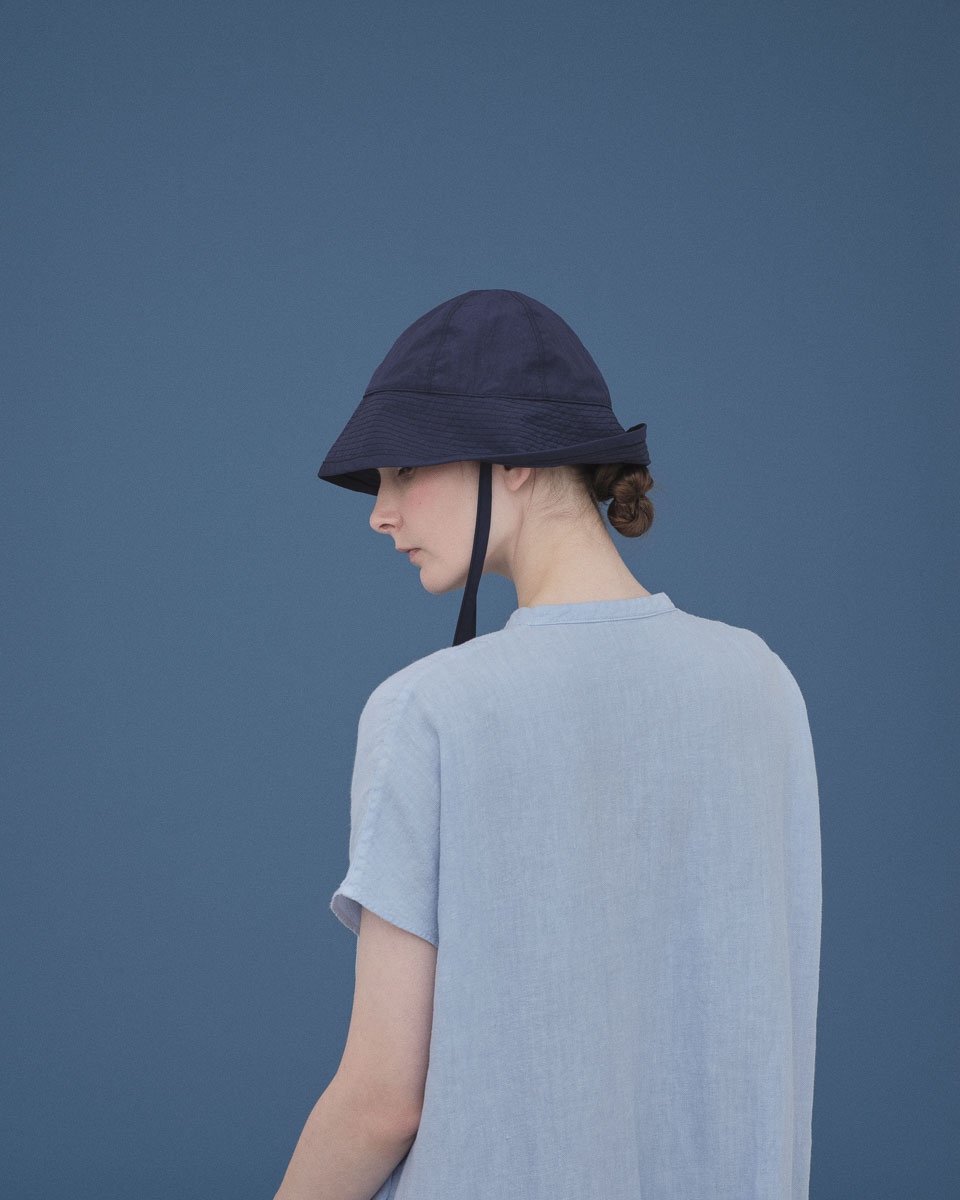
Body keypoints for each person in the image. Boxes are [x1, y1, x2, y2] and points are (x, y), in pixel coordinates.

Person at [273, 290, 822, 1200]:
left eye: (404, 469)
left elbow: (381, 1104)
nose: (381, 511)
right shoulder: (763, 685)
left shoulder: (429, 710)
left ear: (516, 461)